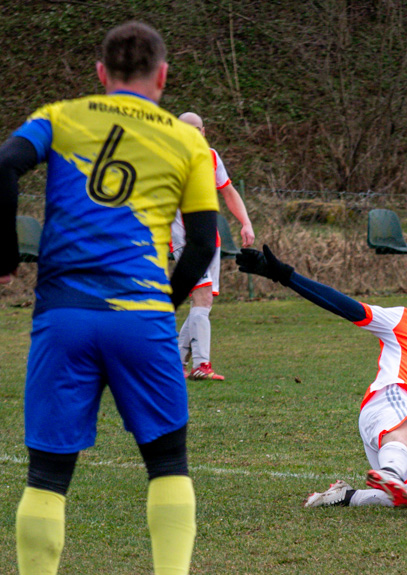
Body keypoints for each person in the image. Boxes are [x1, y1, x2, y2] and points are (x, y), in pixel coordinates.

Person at [0, 21, 219, 575]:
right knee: (168, 464)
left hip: (64, 316)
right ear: (163, 77)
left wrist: (4, 257)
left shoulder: (59, 116)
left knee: (47, 476)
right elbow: (201, 246)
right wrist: (160, 305)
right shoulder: (188, 140)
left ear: (101, 75)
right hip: (140, 319)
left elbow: (5, 164)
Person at [236, 245, 407, 508]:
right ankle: (389, 475)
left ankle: (345, 496)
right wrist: (287, 276)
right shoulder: (402, 320)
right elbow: (344, 305)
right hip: (390, 405)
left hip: (406, 441)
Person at [171, 111, 255, 381]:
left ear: (204, 131)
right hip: (185, 240)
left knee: (203, 304)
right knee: (203, 298)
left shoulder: (211, 157)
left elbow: (228, 191)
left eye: (198, 129)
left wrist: (245, 222)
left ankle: (174, 360)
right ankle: (201, 365)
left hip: (211, 241)